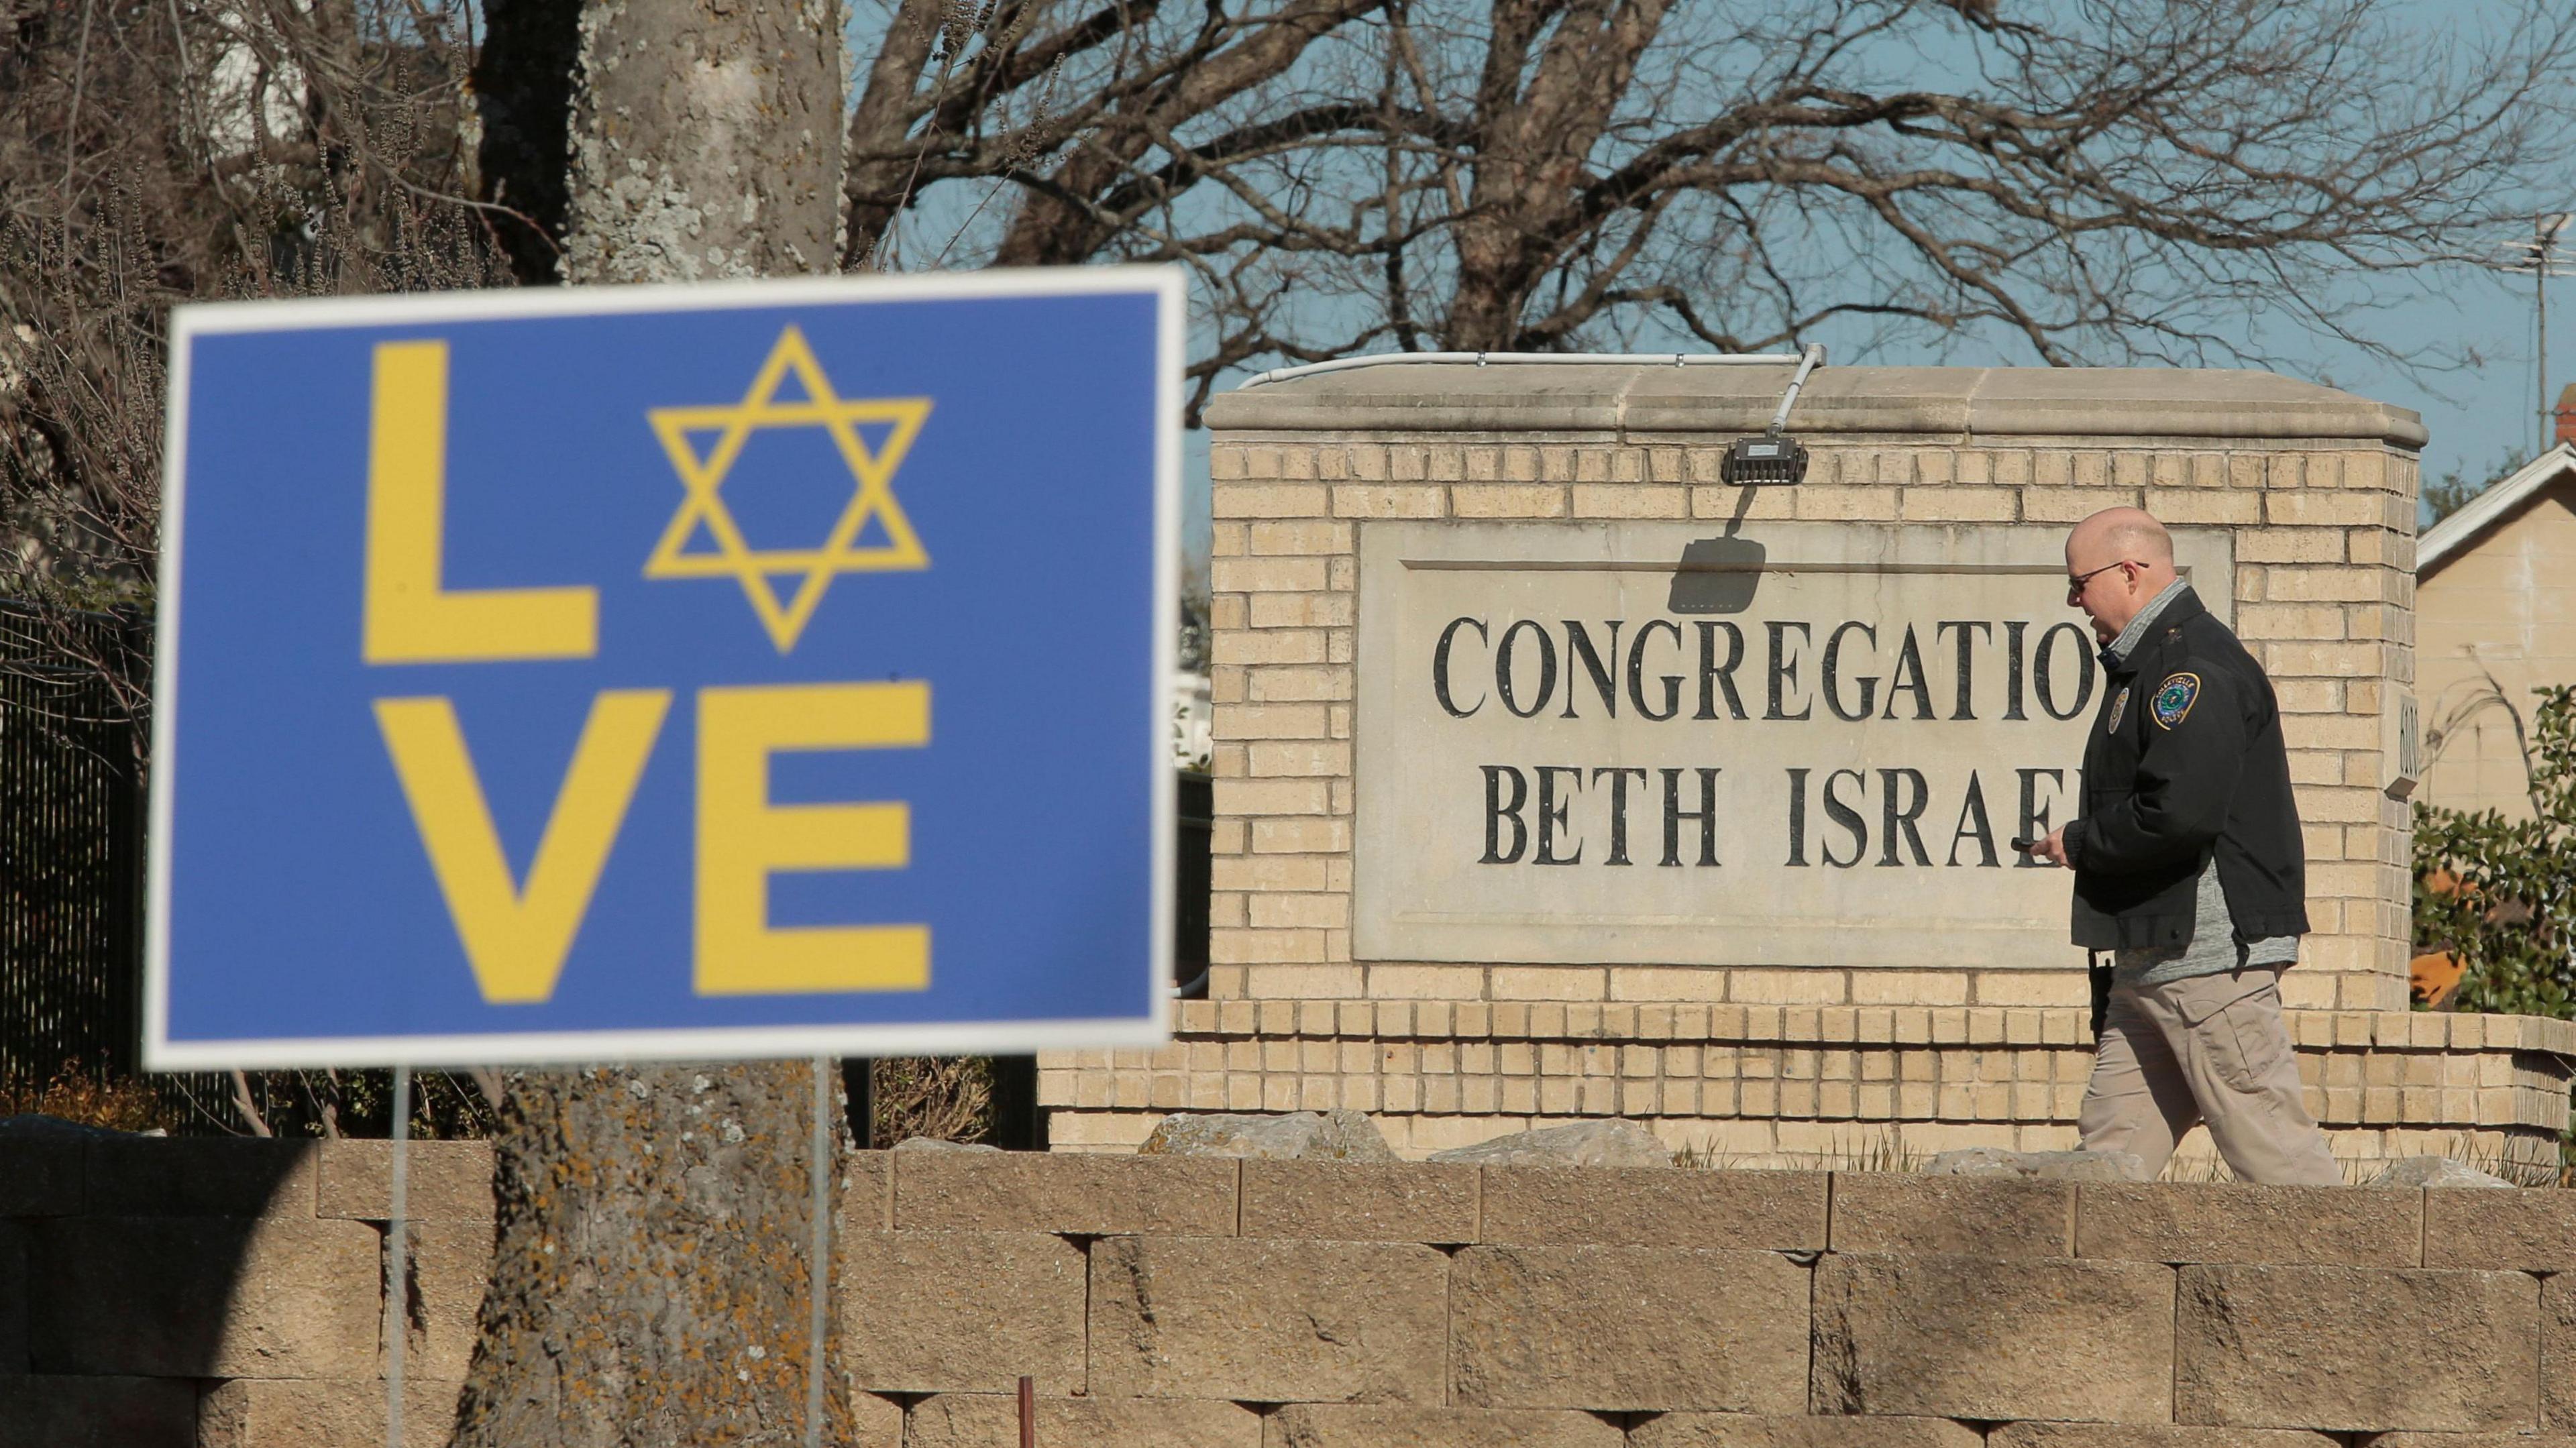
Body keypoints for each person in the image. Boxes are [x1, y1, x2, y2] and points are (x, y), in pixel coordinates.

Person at [2027, 506, 2343, 1186]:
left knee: (2280, 1165)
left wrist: (2077, 842)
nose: (2073, 600)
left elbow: (2179, 812)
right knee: (2104, 1171)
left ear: (2130, 572)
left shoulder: (2189, 668)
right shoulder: (2147, 666)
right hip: (2151, 961)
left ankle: (2376, 1290)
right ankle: (2083, 1295)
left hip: (2204, 961)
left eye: (2079, 583)